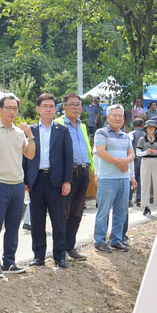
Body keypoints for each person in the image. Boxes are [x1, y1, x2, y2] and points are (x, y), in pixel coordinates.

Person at [0, 94, 35, 277]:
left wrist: (30, 136)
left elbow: (30, 155)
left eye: (15, 108)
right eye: (8, 108)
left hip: (17, 184)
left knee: (13, 226)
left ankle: (9, 261)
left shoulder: (19, 132)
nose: (12, 112)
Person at [23, 93, 74, 268]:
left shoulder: (62, 130)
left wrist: (67, 180)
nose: (48, 109)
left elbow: (68, 157)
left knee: (58, 220)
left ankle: (60, 256)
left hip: (56, 181)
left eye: (51, 106)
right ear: (38, 109)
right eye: (45, 106)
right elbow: (24, 157)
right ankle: (39, 256)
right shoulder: (30, 131)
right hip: (36, 180)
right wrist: (25, 181)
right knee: (37, 221)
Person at [91, 104, 134, 251]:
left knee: (121, 211)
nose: (117, 118)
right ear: (108, 117)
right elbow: (101, 152)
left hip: (123, 179)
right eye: (114, 115)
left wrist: (125, 162)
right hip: (107, 179)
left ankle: (116, 239)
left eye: (120, 116)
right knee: (103, 211)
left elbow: (132, 154)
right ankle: (99, 241)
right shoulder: (101, 133)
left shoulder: (126, 136)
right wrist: (119, 163)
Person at [58, 94, 92, 262]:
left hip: (84, 170)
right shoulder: (58, 125)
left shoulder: (82, 125)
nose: (75, 107)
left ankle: (70, 246)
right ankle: (60, 248)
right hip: (68, 173)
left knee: (77, 211)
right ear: (64, 107)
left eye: (78, 104)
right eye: (71, 104)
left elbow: (86, 148)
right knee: (63, 212)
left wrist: (91, 168)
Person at [135, 117, 157, 215]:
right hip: (145, 161)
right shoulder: (142, 139)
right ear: (146, 129)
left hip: (156, 161)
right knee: (145, 183)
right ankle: (146, 206)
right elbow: (137, 153)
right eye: (149, 128)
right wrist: (145, 152)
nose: (150, 129)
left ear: (155, 129)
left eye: (152, 128)